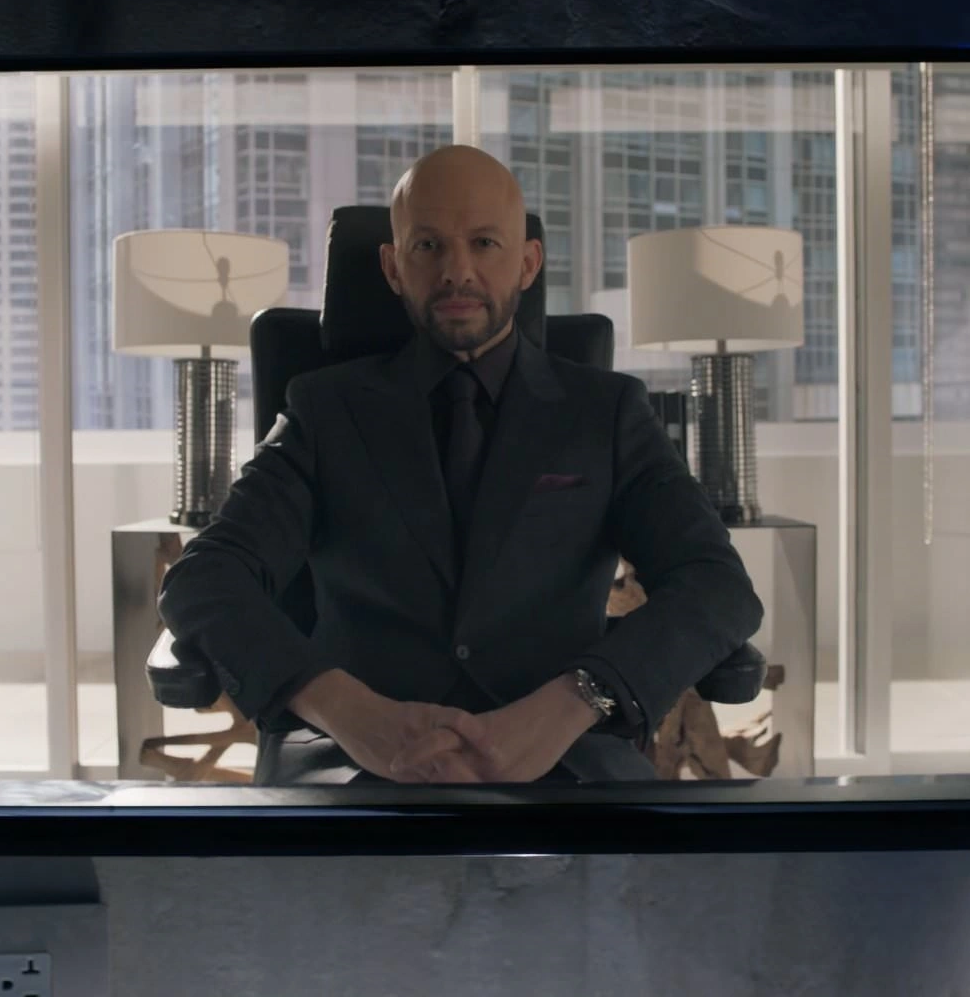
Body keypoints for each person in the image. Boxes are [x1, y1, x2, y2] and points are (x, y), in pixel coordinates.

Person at [157, 145, 763, 784]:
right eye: (428, 246)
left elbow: (716, 584)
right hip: (355, 756)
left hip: (566, 753)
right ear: (393, 267)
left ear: (527, 263)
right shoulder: (324, 410)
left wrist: (577, 699)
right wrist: (341, 707)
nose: (457, 271)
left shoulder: (605, 412)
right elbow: (205, 577)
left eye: (484, 243)